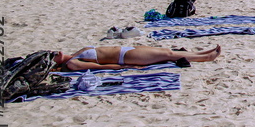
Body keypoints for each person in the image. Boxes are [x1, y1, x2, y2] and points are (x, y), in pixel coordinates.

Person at [52, 45, 221, 71]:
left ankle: (202, 54)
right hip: (126, 57)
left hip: (128, 50)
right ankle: (205, 58)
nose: (55, 53)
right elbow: (102, 67)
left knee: (167, 51)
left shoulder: (75, 54)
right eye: (53, 57)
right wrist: (126, 67)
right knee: (168, 55)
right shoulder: (74, 63)